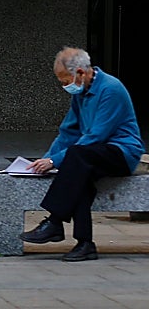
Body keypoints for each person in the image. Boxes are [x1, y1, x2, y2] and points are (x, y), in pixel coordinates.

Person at [19, 47, 144, 261]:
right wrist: (46, 158)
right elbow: (68, 132)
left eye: (65, 80)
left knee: (77, 157)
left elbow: (96, 136)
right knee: (79, 174)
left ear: (80, 72)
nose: (64, 86)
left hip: (121, 152)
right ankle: (85, 243)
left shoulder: (110, 89)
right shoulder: (82, 92)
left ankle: (55, 222)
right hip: (91, 153)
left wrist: (54, 161)